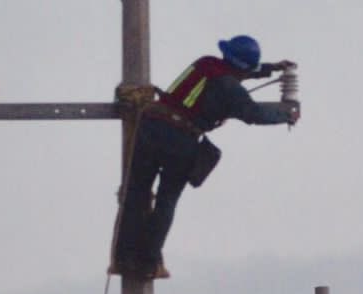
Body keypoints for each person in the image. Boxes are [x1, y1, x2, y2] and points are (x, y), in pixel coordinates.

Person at [111, 35, 299, 279]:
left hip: (150, 127)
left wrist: (268, 70)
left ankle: (123, 259)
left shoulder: (206, 63)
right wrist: (286, 114)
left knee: (136, 192)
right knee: (166, 201)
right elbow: (253, 113)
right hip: (180, 141)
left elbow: (232, 72)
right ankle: (147, 263)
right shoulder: (230, 89)